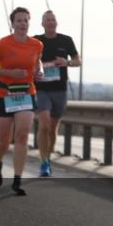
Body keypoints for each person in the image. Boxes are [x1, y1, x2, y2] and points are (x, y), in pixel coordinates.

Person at [0, 7, 43, 196]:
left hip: (26, 92)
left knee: (23, 135)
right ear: (13, 23)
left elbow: (36, 63)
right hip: (3, 94)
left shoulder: (36, 45)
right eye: (19, 20)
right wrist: (10, 73)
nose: (23, 23)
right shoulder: (2, 44)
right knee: (4, 139)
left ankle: (17, 180)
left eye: (26, 20)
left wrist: (38, 72)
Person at [34, 10, 81, 177]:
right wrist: (35, 70)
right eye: (47, 19)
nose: (50, 22)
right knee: (44, 124)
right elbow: (28, 60)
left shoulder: (66, 40)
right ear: (42, 24)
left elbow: (78, 61)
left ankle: (48, 156)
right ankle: (43, 162)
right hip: (41, 89)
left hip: (59, 90)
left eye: (53, 19)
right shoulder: (36, 40)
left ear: (56, 22)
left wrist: (66, 62)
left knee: (53, 128)